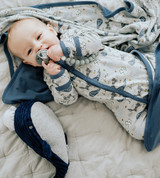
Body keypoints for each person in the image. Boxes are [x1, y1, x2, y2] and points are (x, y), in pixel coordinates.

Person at [6, 17, 151, 141]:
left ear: (51, 30)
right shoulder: (50, 77)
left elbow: (94, 41)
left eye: (39, 37)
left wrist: (65, 48)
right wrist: (58, 76)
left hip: (137, 72)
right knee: (138, 131)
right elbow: (68, 99)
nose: (38, 46)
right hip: (123, 104)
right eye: (30, 51)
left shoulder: (71, 36)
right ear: (29, 63)